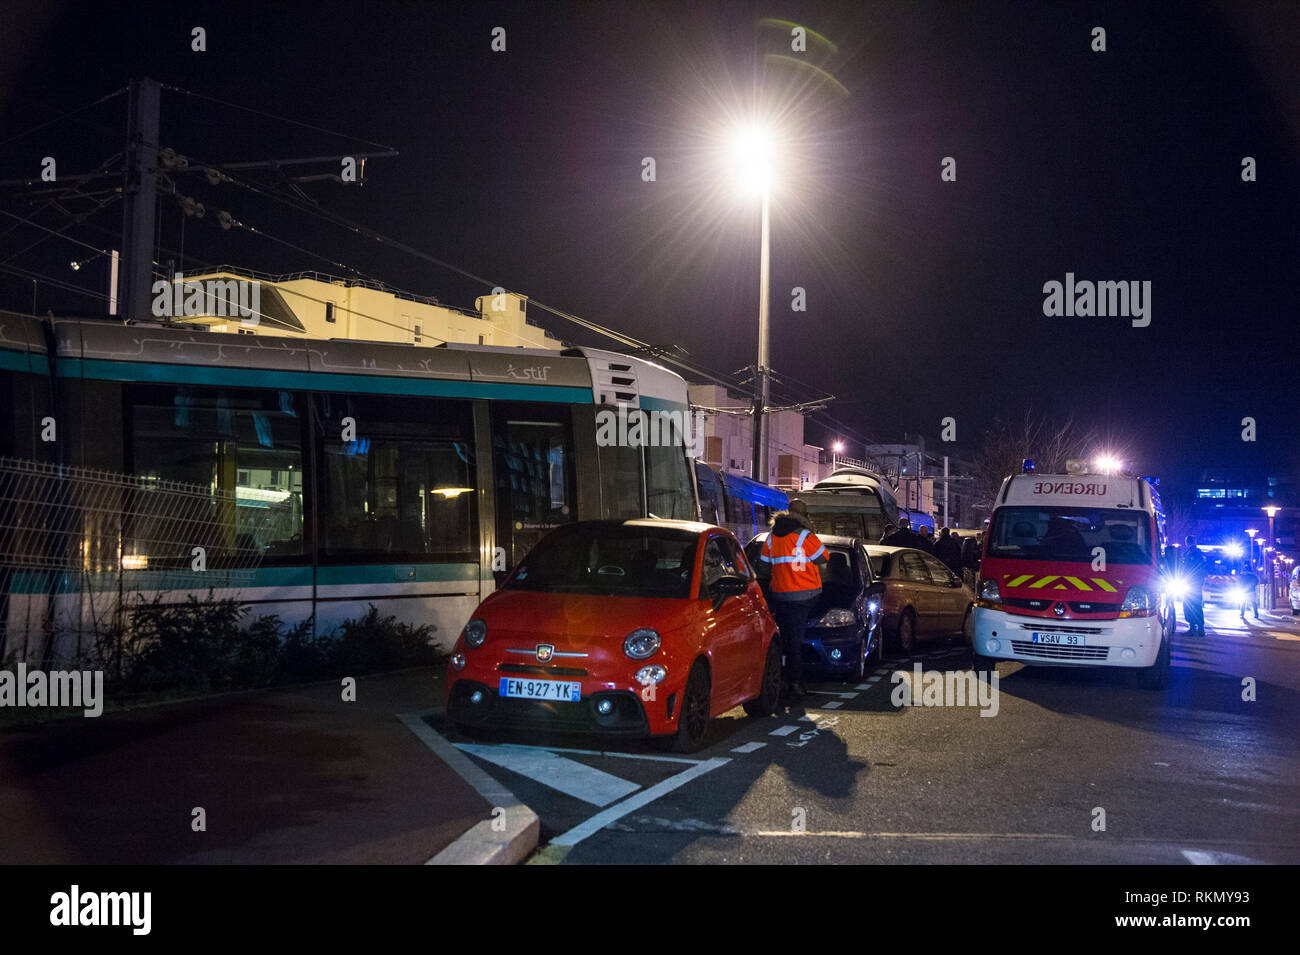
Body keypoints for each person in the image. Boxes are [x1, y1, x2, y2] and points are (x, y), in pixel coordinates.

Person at [758, 499, 828, 699]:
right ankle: (795, 683)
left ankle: (779, 680)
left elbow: (763, 565)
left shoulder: (772, 537)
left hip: (779, 595)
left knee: (783, 638)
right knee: (795, 641)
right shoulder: (805, 535)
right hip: (805, 595)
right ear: (805, 516)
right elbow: (824, 557)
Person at [1179, 535, 1208, 636]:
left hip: (1190, 582)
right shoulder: (1200, 553)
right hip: (1197, 583)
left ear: (1187, 542)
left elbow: (1185, 568)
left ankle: (1192, 628)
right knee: (1197, 605)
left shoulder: (1189, 553)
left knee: (1188, 605)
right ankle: (1200, 629)